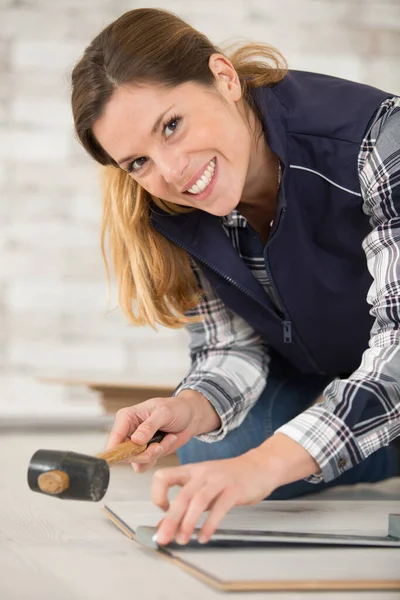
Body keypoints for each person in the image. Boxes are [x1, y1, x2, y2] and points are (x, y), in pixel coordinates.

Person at [70, 8, 400, 546]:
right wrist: (190, 407)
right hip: (330, 374)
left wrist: (267, 464)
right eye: (139, 162)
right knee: (212, 451)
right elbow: (231, 348)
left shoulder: (380, 139)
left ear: (224, 78)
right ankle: (369, 436)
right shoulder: (172, 210)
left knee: (250, 462)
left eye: (171, 125)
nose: (172, 173)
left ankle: (361, 433)